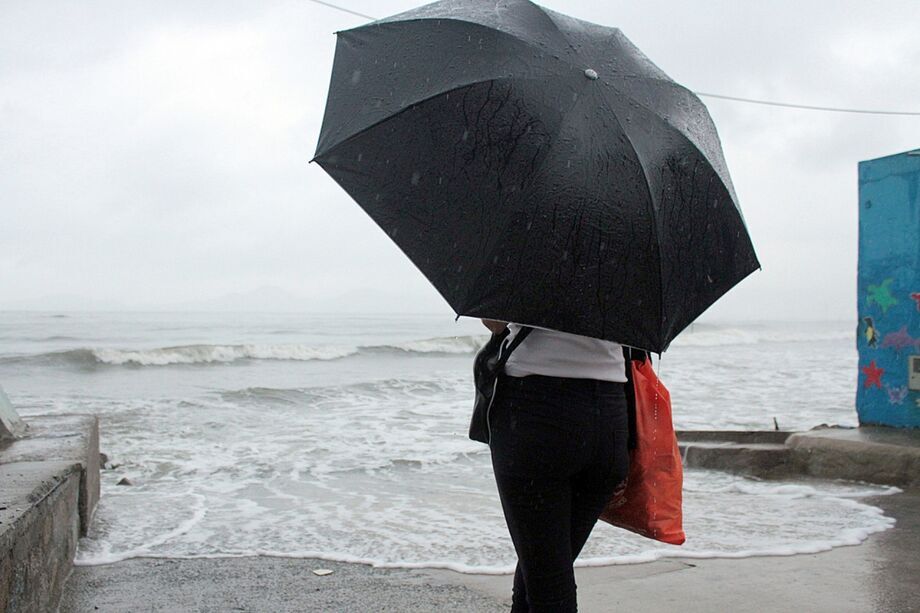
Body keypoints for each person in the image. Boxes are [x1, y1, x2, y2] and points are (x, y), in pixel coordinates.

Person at [480, 318, 630, 613]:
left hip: (536, 411)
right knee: (543, 569)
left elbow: (495, 322)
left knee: (548, 582)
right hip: (611, 418)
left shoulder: (529, 268)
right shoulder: (631, 271)